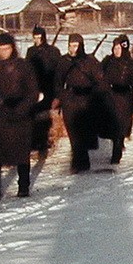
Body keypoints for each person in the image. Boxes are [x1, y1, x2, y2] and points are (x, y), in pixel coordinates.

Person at [0, 34, 39, 201]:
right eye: (0, 49)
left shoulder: (23, 65)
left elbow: (33, 92)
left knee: (21, 152)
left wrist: (21, 109)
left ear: (12, 48)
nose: (3, 52)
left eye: (6, 49)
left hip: (19, 115)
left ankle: (23, 186)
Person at [53, 34, 103, 173]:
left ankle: (82, 159)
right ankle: (77, 160)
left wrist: (96, 98)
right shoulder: (64, 61)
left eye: (75, 45)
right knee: (72, 130)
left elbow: (99, 81)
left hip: (86, 99)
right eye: (70, 45)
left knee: (84, 130)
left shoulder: (90, 61)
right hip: (70, 99)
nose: (72, 48)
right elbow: (57, 82)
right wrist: (61, 96)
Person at [100, 35, 133, 163]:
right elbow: (99, 75)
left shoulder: (129, 63)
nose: (116, 51)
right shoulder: (107, 61)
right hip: (110, 97)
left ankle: (116, 154)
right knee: (111, 126)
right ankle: (117, 143)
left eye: (118, 48)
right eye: (115, 48)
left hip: (124, 98)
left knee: (120, 126)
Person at [24, 25, 61, 155]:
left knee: (45, 116)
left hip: (49, 87)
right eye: (35, 38)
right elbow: (27, 70)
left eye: (40, 37)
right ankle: (35, 142)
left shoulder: (53, 51)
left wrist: (57, 93)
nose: (37, 40)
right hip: (35, 88)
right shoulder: (31, 51)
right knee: (34, 115)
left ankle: (45, 143)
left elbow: (58, 72)